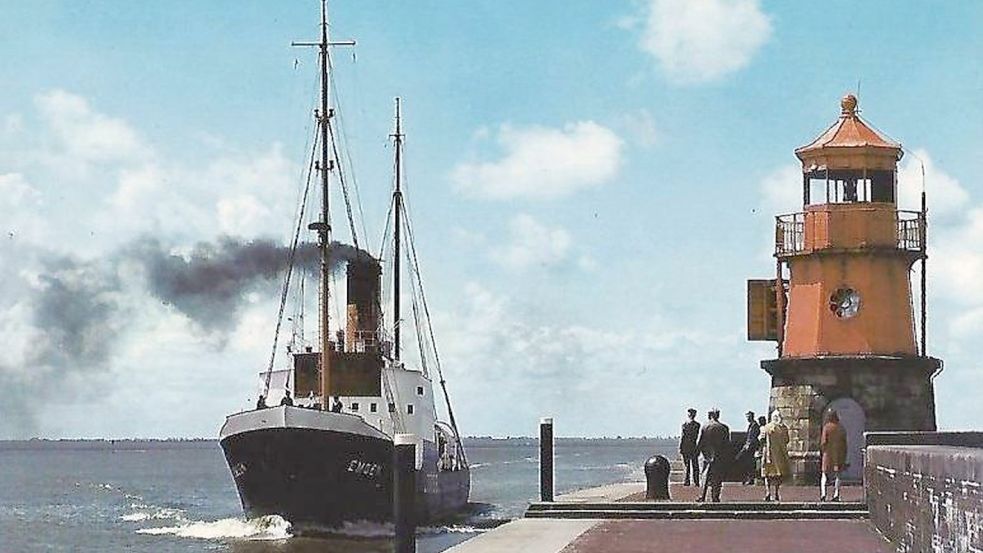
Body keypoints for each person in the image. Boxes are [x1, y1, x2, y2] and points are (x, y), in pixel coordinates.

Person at [696, 408, 730, 503]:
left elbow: (700, 442)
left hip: (707, 455)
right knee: (717, 478)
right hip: (719, 455)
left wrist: (698, 452)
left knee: (705, 477)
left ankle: (702, 496)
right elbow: (727, 444)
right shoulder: (724, 428)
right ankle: (715, 496)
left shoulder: (705, 426)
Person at [760, 409, 791, 501]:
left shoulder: (766, 427)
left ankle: (768, 492)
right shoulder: (784, 428)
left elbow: (761, 440)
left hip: (768, 453)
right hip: (779, 454)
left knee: (766, 473)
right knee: (778, 474)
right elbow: (787, 440)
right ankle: (776, 492)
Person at [820, 409, 848, 502]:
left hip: (827, 454)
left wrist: (823, 451)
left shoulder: (826, 427)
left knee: (824, 474)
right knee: (837, 475)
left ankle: (823, 494)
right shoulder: (841, 428)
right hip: (838, 454)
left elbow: (823, 442)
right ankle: (836, 494)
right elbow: (845, 443)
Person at [737, 411, 761, 485]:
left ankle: (751, 478)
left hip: (751, 447)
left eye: (749, 417)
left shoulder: (755, 425)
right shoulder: (751, 425)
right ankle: (748, 477)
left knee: (750, 463)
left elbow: (753, 437)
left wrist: (748, 446)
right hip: (748, 446)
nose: (748, 418)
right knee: (745, 461)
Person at [679, 408, 701, 486]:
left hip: (688, 446)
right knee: (692, 465)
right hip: (691, 446)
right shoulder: (696, 425)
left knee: (690, 465)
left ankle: (689, 481)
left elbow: (683, 436)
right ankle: (694, 481)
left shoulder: (686, 425)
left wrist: (680, 447)